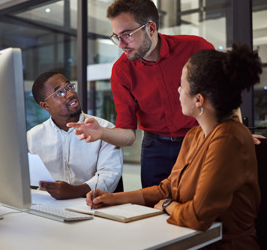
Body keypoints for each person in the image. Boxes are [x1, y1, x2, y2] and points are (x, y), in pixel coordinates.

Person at [86, 44, 262, 249]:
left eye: (182, 84)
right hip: (190, 239)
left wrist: (169, 205)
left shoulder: (228, 139)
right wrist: (112, 198)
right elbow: (168, 188)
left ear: (198, 100)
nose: (178, 90)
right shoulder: (194, 135)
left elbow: (197, 217)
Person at [68, 0, 214, 188]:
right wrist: (102, 132)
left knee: (199, 207)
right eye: (116, 37)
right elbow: (128, 135)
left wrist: (233, 131)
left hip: (199, 140)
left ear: (151, 28)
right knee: (154, 210)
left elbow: (223, 95)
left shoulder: (195, 48)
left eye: (127, 34)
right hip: (155, 149)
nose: (121, 45)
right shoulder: (121, 71)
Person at [27, 71, 123, 200]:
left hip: (92, 203)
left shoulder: (105, 129)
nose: (71, 94)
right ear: (45, 105)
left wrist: (74, 191)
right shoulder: (32, 137)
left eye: (69, 87)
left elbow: (109, 176)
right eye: (60, 92)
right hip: (48, 203)